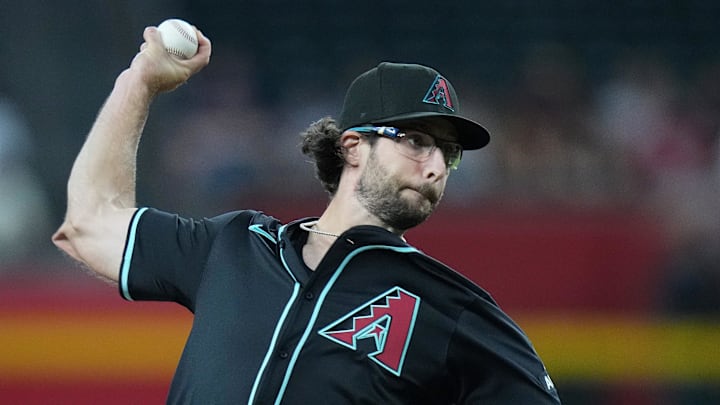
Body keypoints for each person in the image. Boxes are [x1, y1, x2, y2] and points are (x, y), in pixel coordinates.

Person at [52, 24, 561, 404]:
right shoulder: (236, 245)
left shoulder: (454, 309)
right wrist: (139, 82)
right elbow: (88, 226)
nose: (435, 167)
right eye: (416, 141)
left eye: (447, 154)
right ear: (354, 146)